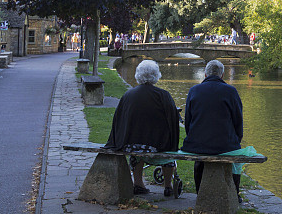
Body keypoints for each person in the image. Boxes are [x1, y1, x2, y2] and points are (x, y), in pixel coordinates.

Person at [104, 60, 181, 196]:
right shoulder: (163, 95)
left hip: (130, 144)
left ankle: (138, 183)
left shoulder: (128, 95)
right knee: (168, 149)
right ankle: (168, 185)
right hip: (157, 145)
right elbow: (173, 120)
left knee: (136, 147)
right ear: (156, 75)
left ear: (138, 75)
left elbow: (118, 120)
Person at [182, 59, 244, 201]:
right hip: (225, 144)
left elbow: (188, 121)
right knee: (235, 158)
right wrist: (236, 140)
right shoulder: (231, 91)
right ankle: (234, 192)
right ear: (222, 75)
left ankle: (200, 192)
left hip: (197, 144)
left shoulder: (194, 90)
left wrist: (193, 138)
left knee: (199, 159)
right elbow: (238, 121)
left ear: (205, 74)